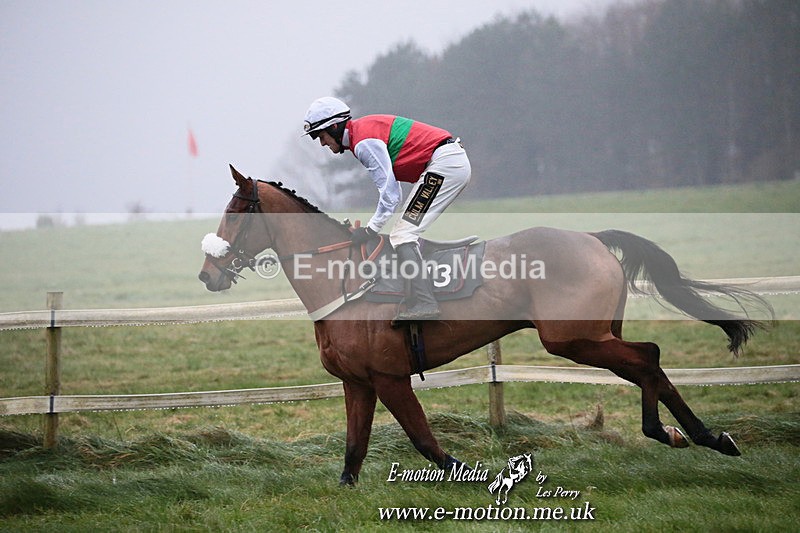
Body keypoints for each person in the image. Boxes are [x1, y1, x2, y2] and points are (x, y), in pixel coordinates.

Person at [303, 96, 471, 321]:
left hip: (445, 165)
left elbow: (391, 195)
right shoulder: (360, 135)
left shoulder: (363, 142)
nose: (322, 143)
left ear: (334, 127)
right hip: (445, 162)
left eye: (320, 136)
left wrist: (370, 230)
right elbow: (393, 194)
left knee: (403, 234)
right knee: (404, 231)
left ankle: (426, 303)